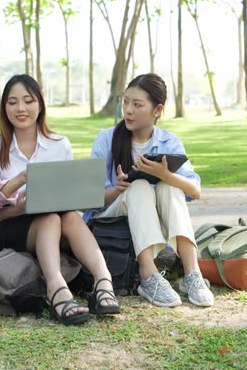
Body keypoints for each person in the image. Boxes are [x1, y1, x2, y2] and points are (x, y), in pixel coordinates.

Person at [0, 74, 120, 325]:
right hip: (9, 229)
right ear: (4, 108)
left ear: (40, 105)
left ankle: (103, 281)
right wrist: (20, 206)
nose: (21, 108)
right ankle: (56, 288)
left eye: (28, 101)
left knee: (68, 216)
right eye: (12, 102)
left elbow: (70, 195)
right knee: (50, 217)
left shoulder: (59, 144)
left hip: (57, 223)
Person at [88, 73, 213, 308]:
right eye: (126, 102)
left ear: (157, 110)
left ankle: (192, 273)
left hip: (154, 218)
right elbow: (90, 199)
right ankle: (148, 274)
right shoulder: (106, 139)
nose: (128, 110)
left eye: (137, 105)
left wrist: (165, 175)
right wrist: (117, 189)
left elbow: (195, 191)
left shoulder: (169, 142)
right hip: (113, 217)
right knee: (140, 186)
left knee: (169, 187)